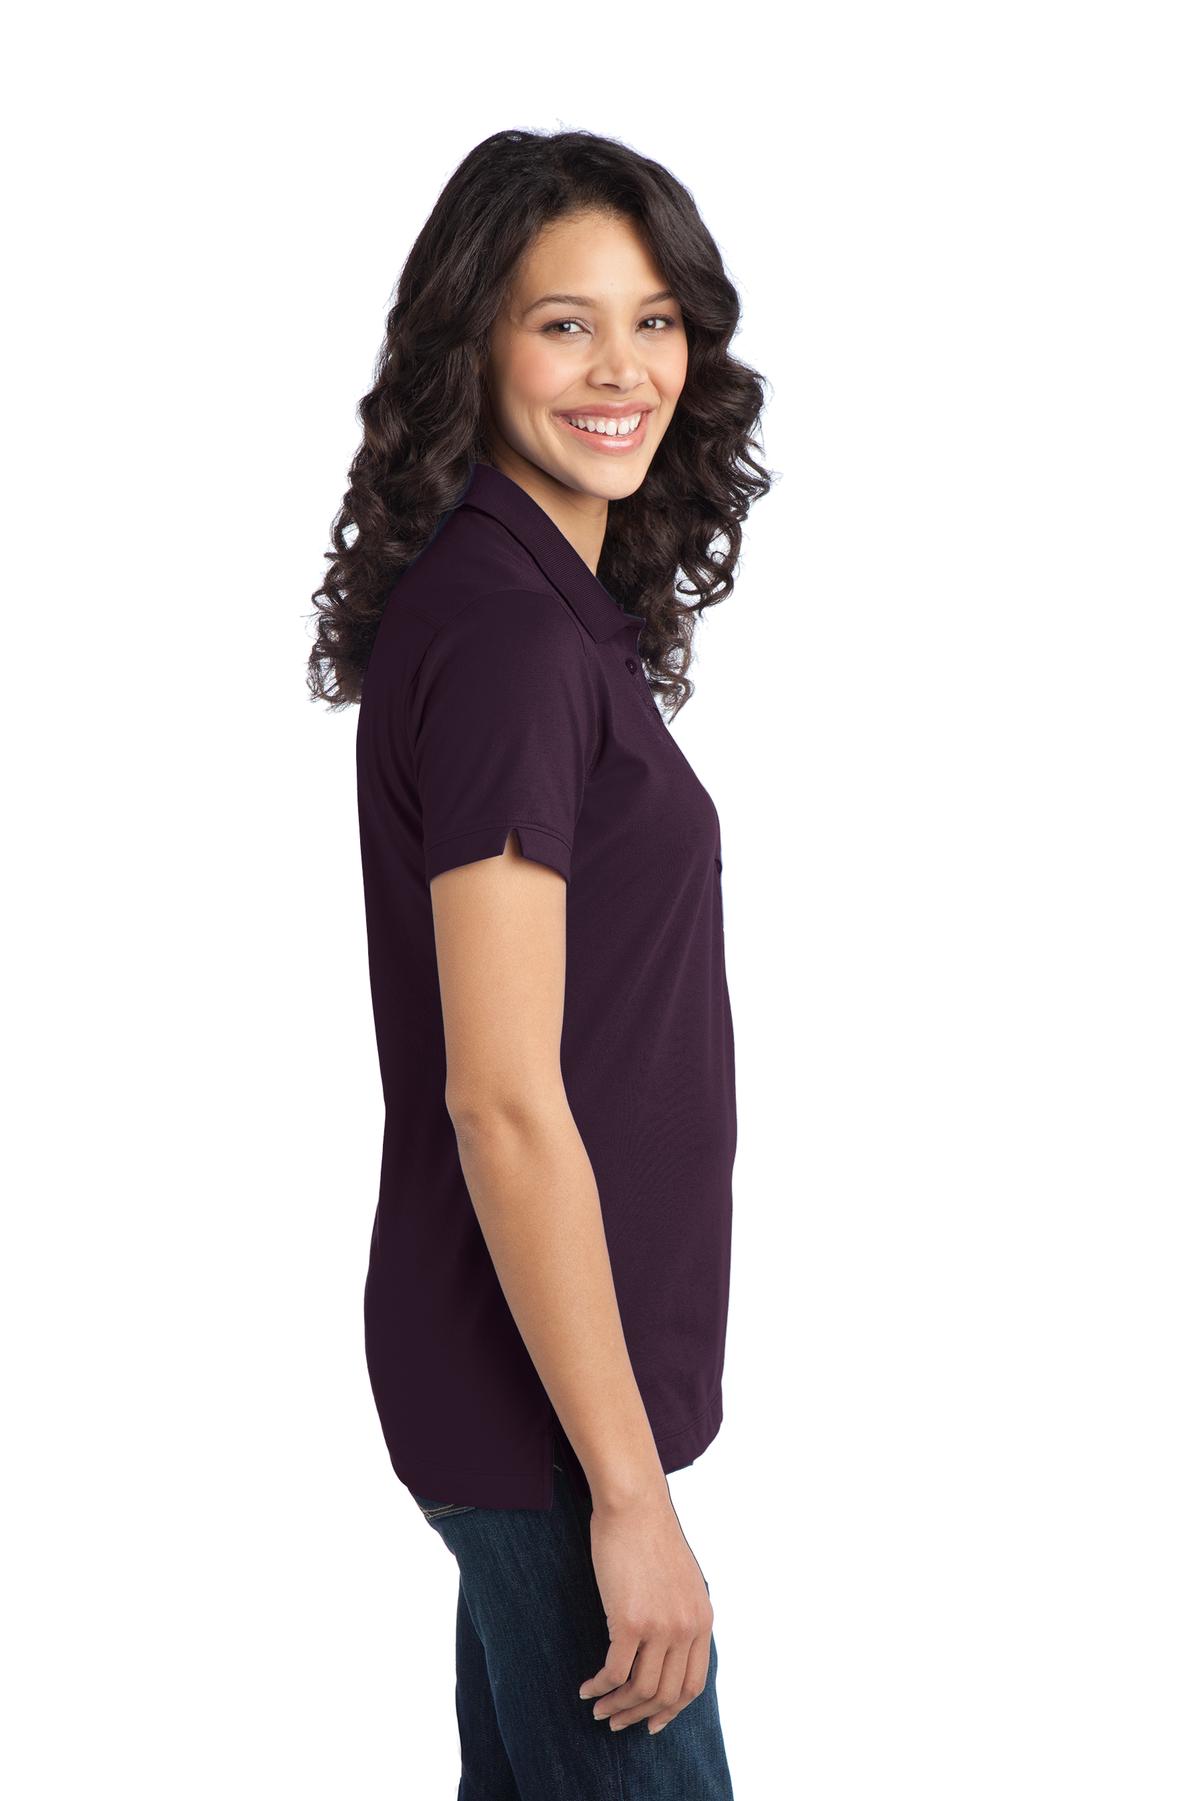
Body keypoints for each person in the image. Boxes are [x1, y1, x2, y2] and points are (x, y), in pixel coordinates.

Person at [309, 127, 773, 1799]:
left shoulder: (533, 605)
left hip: (543, 1399)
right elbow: (501, 1098)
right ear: (474, 343)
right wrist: (628, 1498)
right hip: (548, 1425)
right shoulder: (510, 636)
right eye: (564, 323)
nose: (623, 368)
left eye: (655, 322)